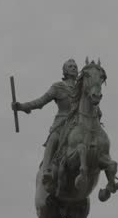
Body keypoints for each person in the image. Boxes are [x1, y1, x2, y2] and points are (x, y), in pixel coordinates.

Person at [13, 59, 80, 191]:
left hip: (78, 124)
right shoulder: (58, 87)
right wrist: (22, 106)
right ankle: (47, 171)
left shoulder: (82, 88)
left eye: (75, 66)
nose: (74, 68)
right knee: (53, 139)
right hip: (62, 123)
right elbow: (40, 102)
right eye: (70, 66)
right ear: (65, 71)